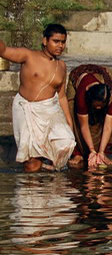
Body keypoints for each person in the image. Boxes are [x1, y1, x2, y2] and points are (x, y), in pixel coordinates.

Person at [0, 24, 76, 172]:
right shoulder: (28, 56)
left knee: (66, 142)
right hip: (27, 108)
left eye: (62, 42)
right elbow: (3, 51)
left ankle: (48, 168)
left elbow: (61, 96)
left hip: (50, 109)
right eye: (56, 41)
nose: (60, 46)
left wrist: (68, 120)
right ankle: (33, 191)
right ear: (45, 41)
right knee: (31, 164)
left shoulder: (61, 66)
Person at [67, 65, 112, 170]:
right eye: (96, 105)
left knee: (103, 118)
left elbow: (108, 127)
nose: (98, 108)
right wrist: (91, 150)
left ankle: (100, 152)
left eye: (101, 105)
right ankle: (78, 152)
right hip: (77, 77)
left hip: (101, 74)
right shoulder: (82, 96)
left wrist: (101, 152)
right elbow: (83, 126)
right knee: (71, 111)